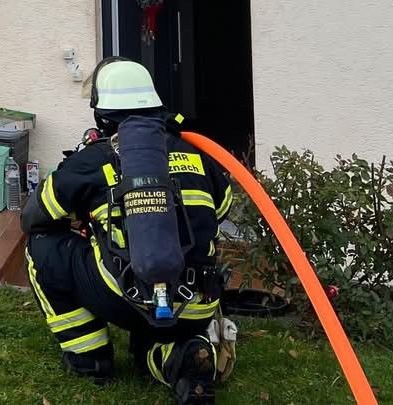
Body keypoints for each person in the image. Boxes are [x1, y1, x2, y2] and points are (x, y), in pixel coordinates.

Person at [22, 57, 236, 403]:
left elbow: (34, 217)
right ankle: (180, 358)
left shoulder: (93, 159)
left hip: (129, 298)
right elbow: (222, 209)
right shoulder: (197, 154)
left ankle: (89, 357)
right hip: (198, 302)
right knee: (149, 343)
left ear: (102, 116)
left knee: (42, 246)